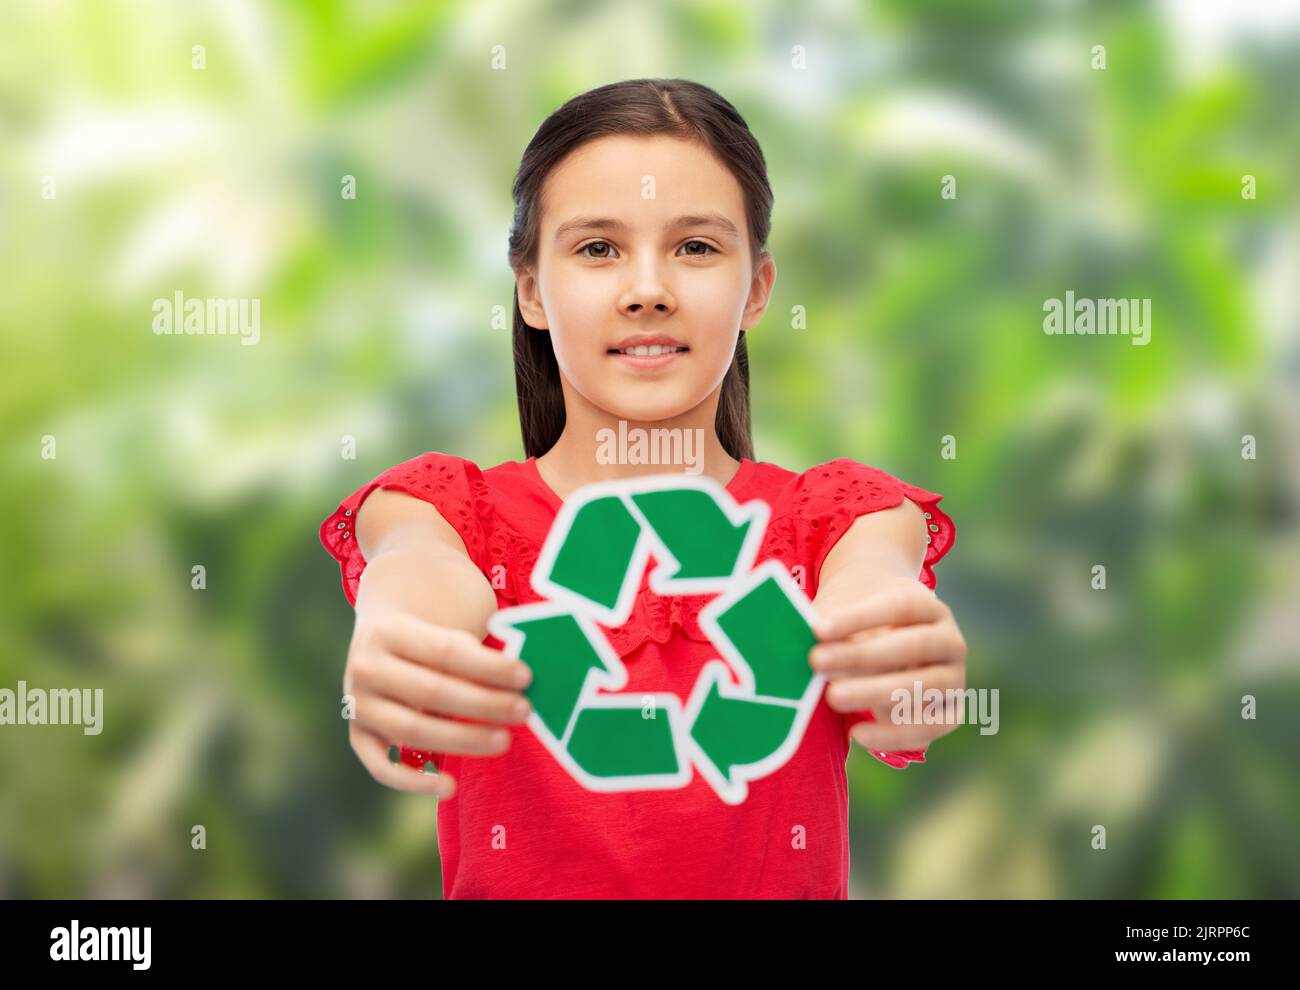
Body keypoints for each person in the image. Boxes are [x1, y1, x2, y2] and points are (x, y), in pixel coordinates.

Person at [319, 78, 964, 898]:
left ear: (757, 289)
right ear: (531, 291)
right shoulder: (450, 515)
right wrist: (398, 632)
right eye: (598, 249)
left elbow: (876, 603)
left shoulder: (839, 522)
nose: (649, 290)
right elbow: (419, 573)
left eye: (696, 247)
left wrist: (902, 663)